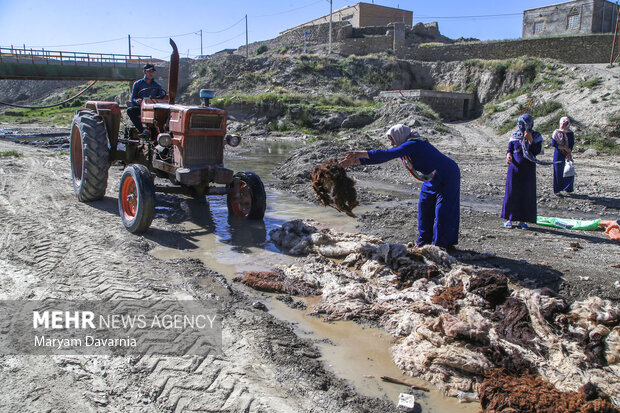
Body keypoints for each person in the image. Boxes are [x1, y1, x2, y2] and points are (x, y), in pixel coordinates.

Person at [340, 124, 460, 249]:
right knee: (424, 207)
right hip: (431, 177)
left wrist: (360, 153)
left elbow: (387, 154)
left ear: (399, 136)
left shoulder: (414, 144)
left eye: (392, 139)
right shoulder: (406, 148)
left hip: (447, 175)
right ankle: (424, 242)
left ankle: (441, 246)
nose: (391, 143)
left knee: (443, 211)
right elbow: (383, 158)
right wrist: (355, 161)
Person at [501, 114, 543, 230]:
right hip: (514, 167)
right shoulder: (515, 135)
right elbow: (510, 148)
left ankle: (523, 220)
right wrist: (508, 155)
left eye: (524, 124)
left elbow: (536, 151)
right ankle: (509, 218)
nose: (522, 126)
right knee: (512, 192)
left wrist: (530, 140)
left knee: (526, 193)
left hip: (528, 168)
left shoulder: (536, 135)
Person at [127, 63, 165, 136]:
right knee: (130, 111)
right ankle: (144, 130)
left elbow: (162, 94)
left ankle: (162, 131)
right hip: (141, 108)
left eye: (152, 72)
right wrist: (137, 101)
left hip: (153, 108)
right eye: (149, 71)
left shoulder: (157, 85)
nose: (151, 74)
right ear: (144, 72)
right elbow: (133, 98)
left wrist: (159, 96)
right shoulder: (137, 84)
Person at [551, 116, 575, 196]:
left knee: (568, 170)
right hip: (558, 154)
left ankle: (568, 188)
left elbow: (571, 144)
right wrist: (563, 148)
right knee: (558, 171)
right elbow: (554, 144)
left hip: (567, 154)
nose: (564, 125)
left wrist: (568, 153)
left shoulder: (570, 133)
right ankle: (557, 189)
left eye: (566, 123)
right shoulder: (556, 133)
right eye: (563, 123)